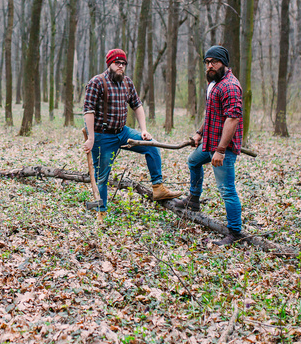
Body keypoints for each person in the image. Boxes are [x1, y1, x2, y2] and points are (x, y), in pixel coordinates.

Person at [83, 49, 182, 222]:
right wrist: (91, 138)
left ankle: (158, 187)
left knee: (152, 146)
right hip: (102, 136)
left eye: (123, 64)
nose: (121, 67)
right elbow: (88, 111)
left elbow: (137, 105)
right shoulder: (97, 82)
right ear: (109, 64)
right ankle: (101, 211)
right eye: (117, 63)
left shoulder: (127, 83)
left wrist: (143, 130)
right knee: (102, 176)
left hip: (123, 132)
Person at [174, 45, 244, 245]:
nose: (210, 66)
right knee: (193, 161)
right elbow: (212, 112)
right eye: (207, 62)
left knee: (227, 189)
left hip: (224, 147)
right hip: (209, 141)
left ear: (224, 63)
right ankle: (193, 200)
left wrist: (221, 151)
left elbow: (232, 119)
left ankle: (235, 233)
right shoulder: (214, 83)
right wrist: (199, 132)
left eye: (215, 62)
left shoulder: (230, 86)